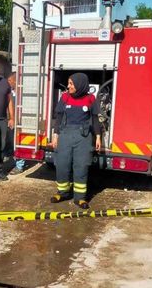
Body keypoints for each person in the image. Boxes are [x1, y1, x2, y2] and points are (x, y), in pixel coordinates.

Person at [51, 73, 102, 209]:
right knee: (62, 164)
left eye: (71, 84)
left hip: (83, 137)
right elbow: (59, 117)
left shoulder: (90, 98)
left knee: (81, 166)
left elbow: (95, 120)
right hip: (65, 135)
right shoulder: (65, 97)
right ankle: (63, 192)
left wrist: (98, 137)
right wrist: (55, 135)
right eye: (68, 83)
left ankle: (79, 198)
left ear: (80, 85)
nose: (68, 86)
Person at [7, 71, 26, 175]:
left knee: (19, 143)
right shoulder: (10, 92)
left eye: (10, 80)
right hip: (11, 122)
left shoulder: (22, 94)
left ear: (16, 81)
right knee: (12, 143)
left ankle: (19, 165)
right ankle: (15, 160)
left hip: (20, 122)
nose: (8, 82)